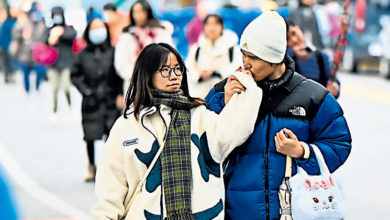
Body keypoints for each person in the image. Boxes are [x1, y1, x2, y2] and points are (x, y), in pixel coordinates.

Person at [205, 11, 352, 219]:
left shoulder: (313, 95)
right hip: (237, 211)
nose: (245, 63)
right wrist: (222, 102)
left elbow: (340, 144)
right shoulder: (226, 90)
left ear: (275, 58)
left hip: (294, 210)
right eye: (244, 54)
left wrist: (303, 151)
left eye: (254, 57)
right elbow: (202, 138)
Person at [93, 43, 263, 219]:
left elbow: (233, 131)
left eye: (177, 69)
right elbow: (111, 186)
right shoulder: (127, 126)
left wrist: (247, 89)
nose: (173, 75)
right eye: (165, 70)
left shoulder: (200, 115)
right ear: (147, 75)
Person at [71, 18, 123, 182]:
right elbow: (75, 76)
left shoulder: (114, 52)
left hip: (110, 99)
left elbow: (120, 75)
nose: (97, 31)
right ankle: (91, 165)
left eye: (100, 27)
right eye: (94, 28)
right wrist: (86, 91)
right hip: (91, 100)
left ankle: (109, 167)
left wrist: (120, 95)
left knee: (111, 135)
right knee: (90, 135)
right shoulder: (82, 55)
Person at [114, 0, 173, 94]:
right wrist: (140, 76)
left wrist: (158, 75)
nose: (138, 15)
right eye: (135, 12)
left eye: (141, 11)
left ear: (148, 12)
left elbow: (170, 57)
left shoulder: (161, 33)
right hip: (136, 86)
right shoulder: (126, 36)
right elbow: (121, 64)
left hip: (160, 84)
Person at [186, 14, 241, 97]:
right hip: (202, 97)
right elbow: (187, 70)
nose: (211, 28)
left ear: (222, 27)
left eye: (215, 24)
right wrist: (200, 75)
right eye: (208, 24)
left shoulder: (232, 48)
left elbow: (238, 70)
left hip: (226, 97)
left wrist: (216, 72)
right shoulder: (197, 49)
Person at [286, 20, 340, 98]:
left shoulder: (321, 56)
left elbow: (333, 81)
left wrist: (334, 88)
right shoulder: (285, 60)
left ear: (298, 29)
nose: (294, 40)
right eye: (288, 38)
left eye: (294, 33)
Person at [44, 6, 77, 124]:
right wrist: (52, 37)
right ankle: (54, 112)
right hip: (53, 64)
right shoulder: (49, 30)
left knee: (66, 87)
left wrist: (60, 33)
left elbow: (72, 35)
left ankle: (70, 106)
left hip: (66, 63)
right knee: (54, 89)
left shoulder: (68, 28)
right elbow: (45, 41)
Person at [11, 2, 46, 94]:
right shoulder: (23, 23)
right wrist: (22, 35)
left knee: (40, 71)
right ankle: (27, 91)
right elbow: (15, 34)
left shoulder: (41, 24)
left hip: (37, 56)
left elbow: (44, 37)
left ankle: (37, 86)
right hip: (24, 55)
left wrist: (40, 44)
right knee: (25, 75)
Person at [0, 5, 17, 84]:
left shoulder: (14, 22)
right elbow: (2, 35)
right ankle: (8, 76)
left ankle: (10, 76)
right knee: (6, 62)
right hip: (5, 46)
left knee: (10, 62)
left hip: (11, 47)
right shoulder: (7, 23)